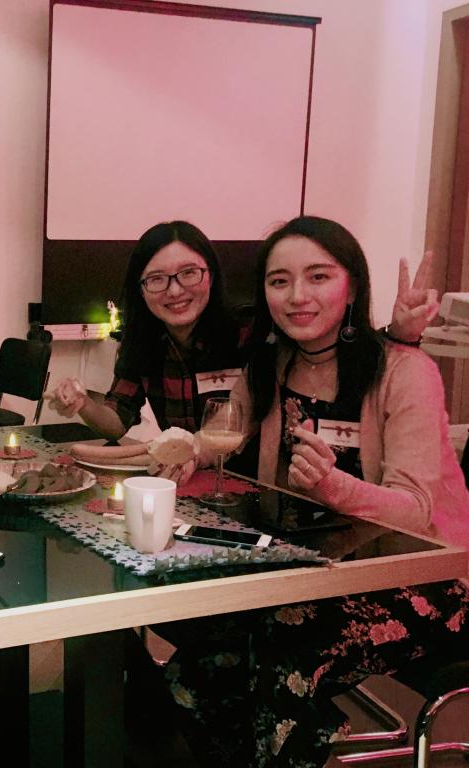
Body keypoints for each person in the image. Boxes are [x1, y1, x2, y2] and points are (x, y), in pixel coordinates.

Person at [160, 216, 469, 767]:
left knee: (284, 651)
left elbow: (417, 513)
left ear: (351, 287)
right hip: (317, 573)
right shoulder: (272, 364)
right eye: (279, 281)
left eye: (318, 277)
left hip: (426, 579)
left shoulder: (405, 371)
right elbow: (224, 429)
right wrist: (189, 453)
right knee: (195, 668)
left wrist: (333, 486)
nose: (297, 296)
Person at [50, 220, 438, 480]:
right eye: (157, 279)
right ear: (141, 289)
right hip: (205, 483)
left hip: (257, 487)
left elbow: (340, 347)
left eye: (188, 273)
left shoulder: (252, 332)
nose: (174, 290)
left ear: (211, 275)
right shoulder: (147, 344)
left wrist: (400, 338)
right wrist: (83, 403)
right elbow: (125, 420)